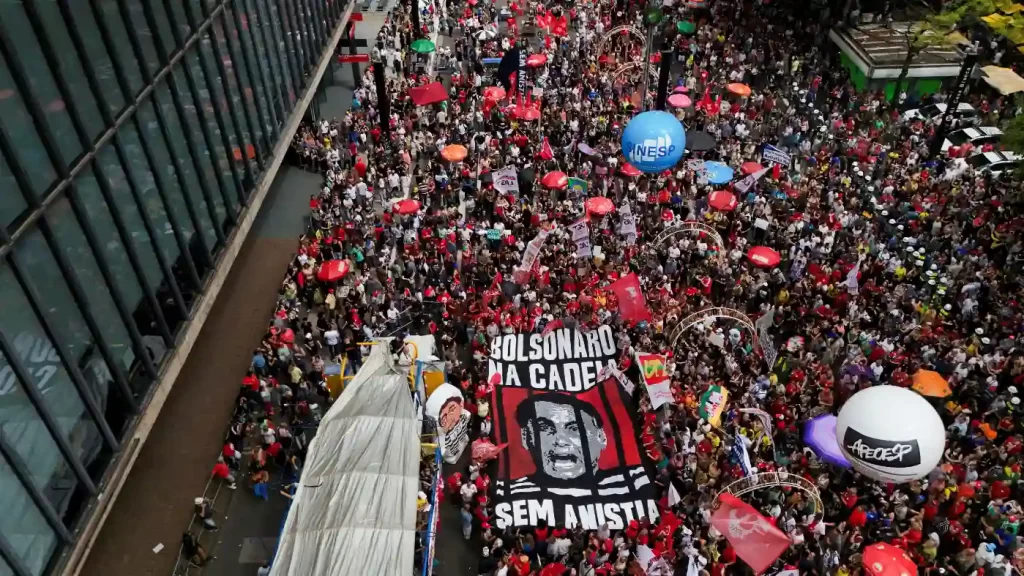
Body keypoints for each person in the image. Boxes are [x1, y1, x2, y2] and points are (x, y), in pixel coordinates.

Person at [515, 393, 608, 481]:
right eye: (544, 428)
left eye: (575, 428)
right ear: (525, 437)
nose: (561, 441)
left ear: (601, 437)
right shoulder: (504, 490)